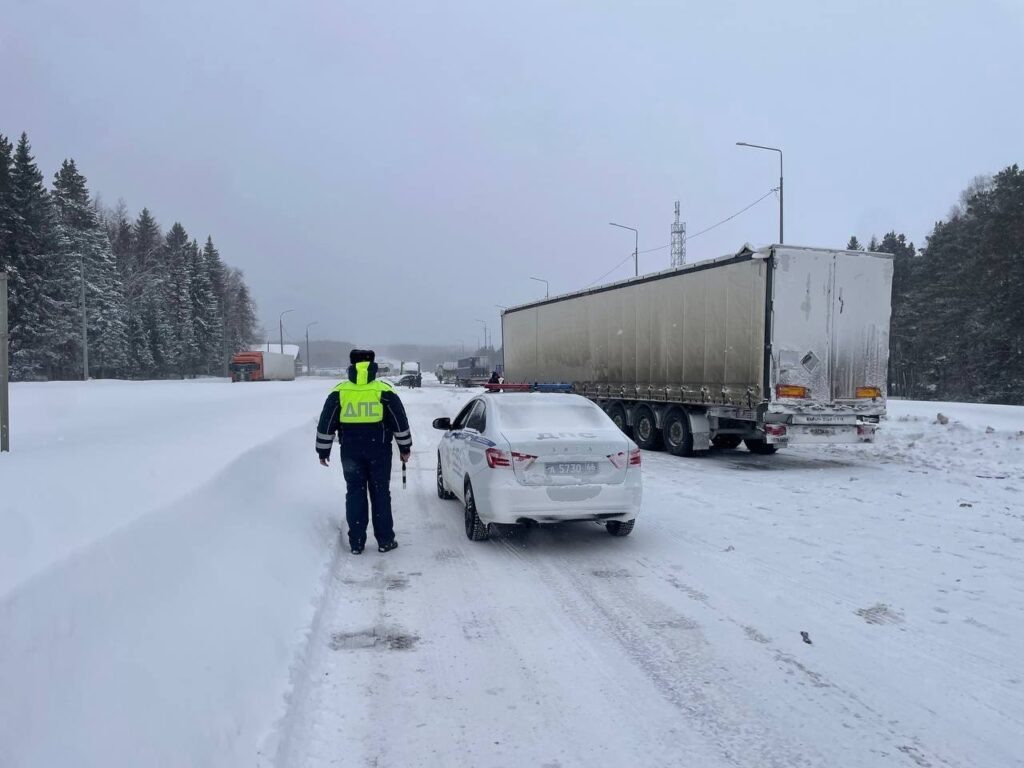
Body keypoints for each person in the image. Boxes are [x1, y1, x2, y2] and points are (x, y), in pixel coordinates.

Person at [316, 349, 412, 554]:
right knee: (380, 494)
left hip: (351, 451)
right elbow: (399, 421)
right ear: (373, 365)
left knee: (355, 493)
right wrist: (405, 448)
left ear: (351, 365)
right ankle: (385, 540)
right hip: (379, 450)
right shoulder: (384, 389)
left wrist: (323, 451)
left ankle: (357, 543)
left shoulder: (340, 391)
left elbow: (326, 422)